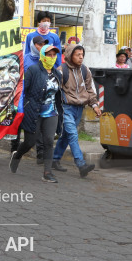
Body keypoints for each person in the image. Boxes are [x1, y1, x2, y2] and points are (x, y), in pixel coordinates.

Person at [9, 44, 64, 183]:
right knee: (30, 142)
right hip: (33, 111)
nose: (51, 57)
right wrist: (20, 108)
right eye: (48, 55)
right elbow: (22, 91)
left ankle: (47, 172)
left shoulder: (57, 74)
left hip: (51, 112)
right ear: (42, 56)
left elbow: (58, 94)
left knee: (49, 141)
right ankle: (17, 155)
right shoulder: (33, 70)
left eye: (54, 55)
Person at [52, 44, 100, 177]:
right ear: (69, 55)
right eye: (77, 54)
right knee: (73, 134)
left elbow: (90, 89)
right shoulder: (61, 71)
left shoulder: (85, 70)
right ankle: (81, 164)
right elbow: (54, 91)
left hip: (80, 109)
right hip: (66, 107)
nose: (81, 57)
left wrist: (95, 105)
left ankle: (55, 160)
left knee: (67, 136)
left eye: (82, 54)